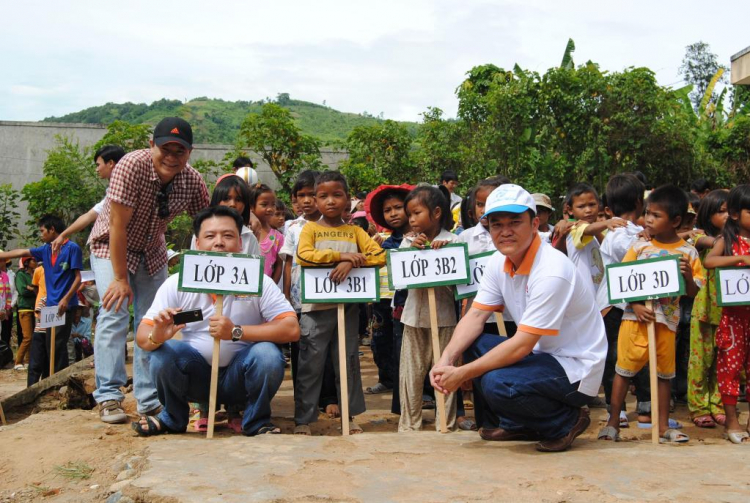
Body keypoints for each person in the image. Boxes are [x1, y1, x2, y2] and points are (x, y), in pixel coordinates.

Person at [431, 184, 606, 452]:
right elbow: (476, 315)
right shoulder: (497, 261)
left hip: (576, 367)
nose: (506, 231)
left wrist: (462, 373)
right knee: (474, 346)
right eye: (497, 224)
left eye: (515, 222)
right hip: (542, 355)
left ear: (535, 223)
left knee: (498, 383)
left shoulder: (551, 270)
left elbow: (522, 344)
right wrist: (446, 360)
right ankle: (520, 422)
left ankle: (565, 421)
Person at [130, 206, 299, 436]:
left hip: (240, 376)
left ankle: (256, 420)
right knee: (162, 352)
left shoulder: (259, 282)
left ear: (240, 243)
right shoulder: (176, 282)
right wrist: (157, 336)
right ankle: (173, 418)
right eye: (210, 236)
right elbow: (142, 336)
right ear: (197, 244)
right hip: (196, 378)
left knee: (268, 354)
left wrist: (237, 332)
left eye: (227, 235)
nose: (219, 242)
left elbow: (291, 328)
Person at [88, 117, 210, 424]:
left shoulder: (193, 181)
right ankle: (109, 396)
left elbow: (207, 225)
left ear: (189, 152)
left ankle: (148, 397)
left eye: (179, 150)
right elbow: (117, 225)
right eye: (165, 148)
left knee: (154, 319)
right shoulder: (130, 166)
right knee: (114, 312)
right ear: (151, 144)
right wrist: (119, 278)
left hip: (153, 251)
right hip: (111, 246)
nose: (171, 156)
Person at [600, 185, 701, 443]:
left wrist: (688, 276)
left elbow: (693, 292)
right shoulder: (640, 246)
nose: (648, 219)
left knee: (664, 374)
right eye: (647, 214)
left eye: (656, 215)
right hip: (635, 321)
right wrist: (634, 305)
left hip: (667, 323)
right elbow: (622, 279)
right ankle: (613, 422)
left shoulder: (689, 252)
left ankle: (663, 425)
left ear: (676, 220)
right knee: (623, 370)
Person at [293, 171, 385, 435]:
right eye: (323, 196)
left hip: (347, 309)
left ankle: (349, 416)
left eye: (337, 195)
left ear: (347, 198)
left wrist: (351, 260)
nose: (330, 201)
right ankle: (304, 419)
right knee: (311, 364)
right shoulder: (309, 229)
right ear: (315, 199)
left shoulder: (355, 231)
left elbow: (378, 255)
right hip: (315, 310)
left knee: (348, 362)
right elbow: (304, 256)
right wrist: (341, 255)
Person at [398, 186, 459, 432]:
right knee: (410, 374)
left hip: (446, 319)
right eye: (409, 215)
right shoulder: (407, 242)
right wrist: (412, 251)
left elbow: (461, 284)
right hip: (412, 318)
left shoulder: (454, 241)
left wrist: (445, 253)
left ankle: (446, 421)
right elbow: (399, 280)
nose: (411, 220)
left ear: (435, 212)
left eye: (416, 213)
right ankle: (409, 424)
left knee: (445, 371)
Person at [0, 215, 83, 383]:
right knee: (48, 344)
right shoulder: (45, 250)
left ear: (52, 229)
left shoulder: (72, 248)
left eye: (43, 231)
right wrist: (4, 255)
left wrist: (66, 299)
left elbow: (78, 278)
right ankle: (48, 380)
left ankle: (59, 381)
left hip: (64, 305)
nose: (41, 234)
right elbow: (23, 251)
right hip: (49, 306)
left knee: (59, 344)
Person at [594, 174, 645, 428]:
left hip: (632, 304)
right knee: (614, 357)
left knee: (636, 354)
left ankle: (644, 407)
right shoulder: (620, 233)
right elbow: (630, 256)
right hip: (615, 304)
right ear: (639, 201)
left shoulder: (635, 231)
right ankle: (618, 410)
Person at [703, 185, 750, 443]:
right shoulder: (728, 241)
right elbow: (710, 261)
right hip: (733, 319)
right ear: (734, 214)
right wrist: (740, 260)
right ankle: (732, 420)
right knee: (730, 369)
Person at [687, 189, 729, 428]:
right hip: (704, 308)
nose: (726, 216)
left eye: (728, 212)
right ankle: (699, 406)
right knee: (700, 360)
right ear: (707, 214)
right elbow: (700, 241)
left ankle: (719, 404)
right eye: (720, 211)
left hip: (729, 310)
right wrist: (723, 242)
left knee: (723, 361)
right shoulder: (699, 237)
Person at [554, 183, 626, 296]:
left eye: (592, 204)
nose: (588, 210)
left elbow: (605, 247)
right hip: (584, 294)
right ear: (570, 210)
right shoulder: (573, 227)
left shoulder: (598, 231)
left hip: (599, 293)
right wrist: (607, 222)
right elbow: (588, 229)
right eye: (581, 206)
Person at [51, 146, 126, 254]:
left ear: (110, 163)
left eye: (98, 165)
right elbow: (88, 216)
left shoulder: (126, 188)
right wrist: (63, 235)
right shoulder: (111, 194)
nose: (96, 169)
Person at [189, 174, 260, 256]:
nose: (232, 204)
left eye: (238, 199)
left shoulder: (249, 237)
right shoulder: (201, 232)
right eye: (226, 199)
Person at [250, 183, 284, 283]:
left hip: (266, 290)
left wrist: (272, 287)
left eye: (273, 204)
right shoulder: (246, 231)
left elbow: (278, 266)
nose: (270, 209)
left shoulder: (278, 237)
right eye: (264, 205)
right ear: (252, 206)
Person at [13, 257, 37, 370]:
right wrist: (33, 289)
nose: (35, 262)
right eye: (33, 261)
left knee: (32, 336)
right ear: (27, 262)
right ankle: (18, 362)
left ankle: (28, 361)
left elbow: (38, 289)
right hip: (25, 308)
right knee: (27, 336)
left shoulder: (35, 274)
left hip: (34, 308)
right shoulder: (21, 275)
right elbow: (22, 291)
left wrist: (31, 288)